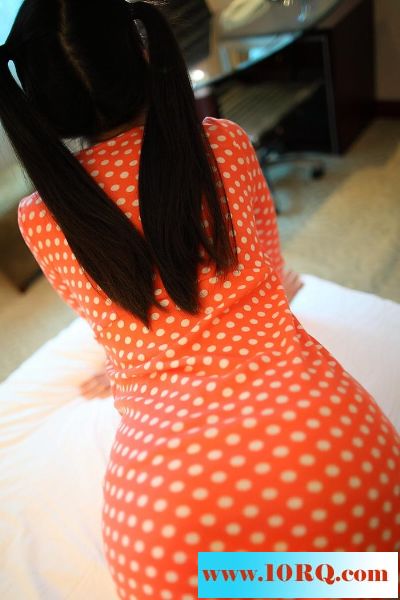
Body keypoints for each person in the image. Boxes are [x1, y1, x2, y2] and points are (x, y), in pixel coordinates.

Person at [1, 1, 398, 600]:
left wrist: (125, 369)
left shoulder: (41, 218)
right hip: (331, 457)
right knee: (359, 586)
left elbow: (112, 317)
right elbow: (267, 257)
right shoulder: (225, 144)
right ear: (144, 53)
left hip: (163, 534)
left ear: (42, 104)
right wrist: (270, 291)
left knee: (248, 588)